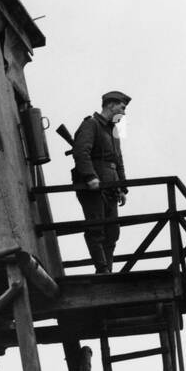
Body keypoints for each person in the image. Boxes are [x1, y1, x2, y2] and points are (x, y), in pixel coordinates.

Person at [71, 90, 131, 274]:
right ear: (110, 105)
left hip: (111, 187)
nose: (124, 113)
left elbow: (118, 160)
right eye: (122, 108)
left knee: (113, 232)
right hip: (94, 187)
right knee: (96, 229)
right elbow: (81, 152)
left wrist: (122, 187)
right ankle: (103, 270)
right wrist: (90, 177)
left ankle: (108, 271)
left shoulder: (114, 131)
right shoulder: (91, 124)